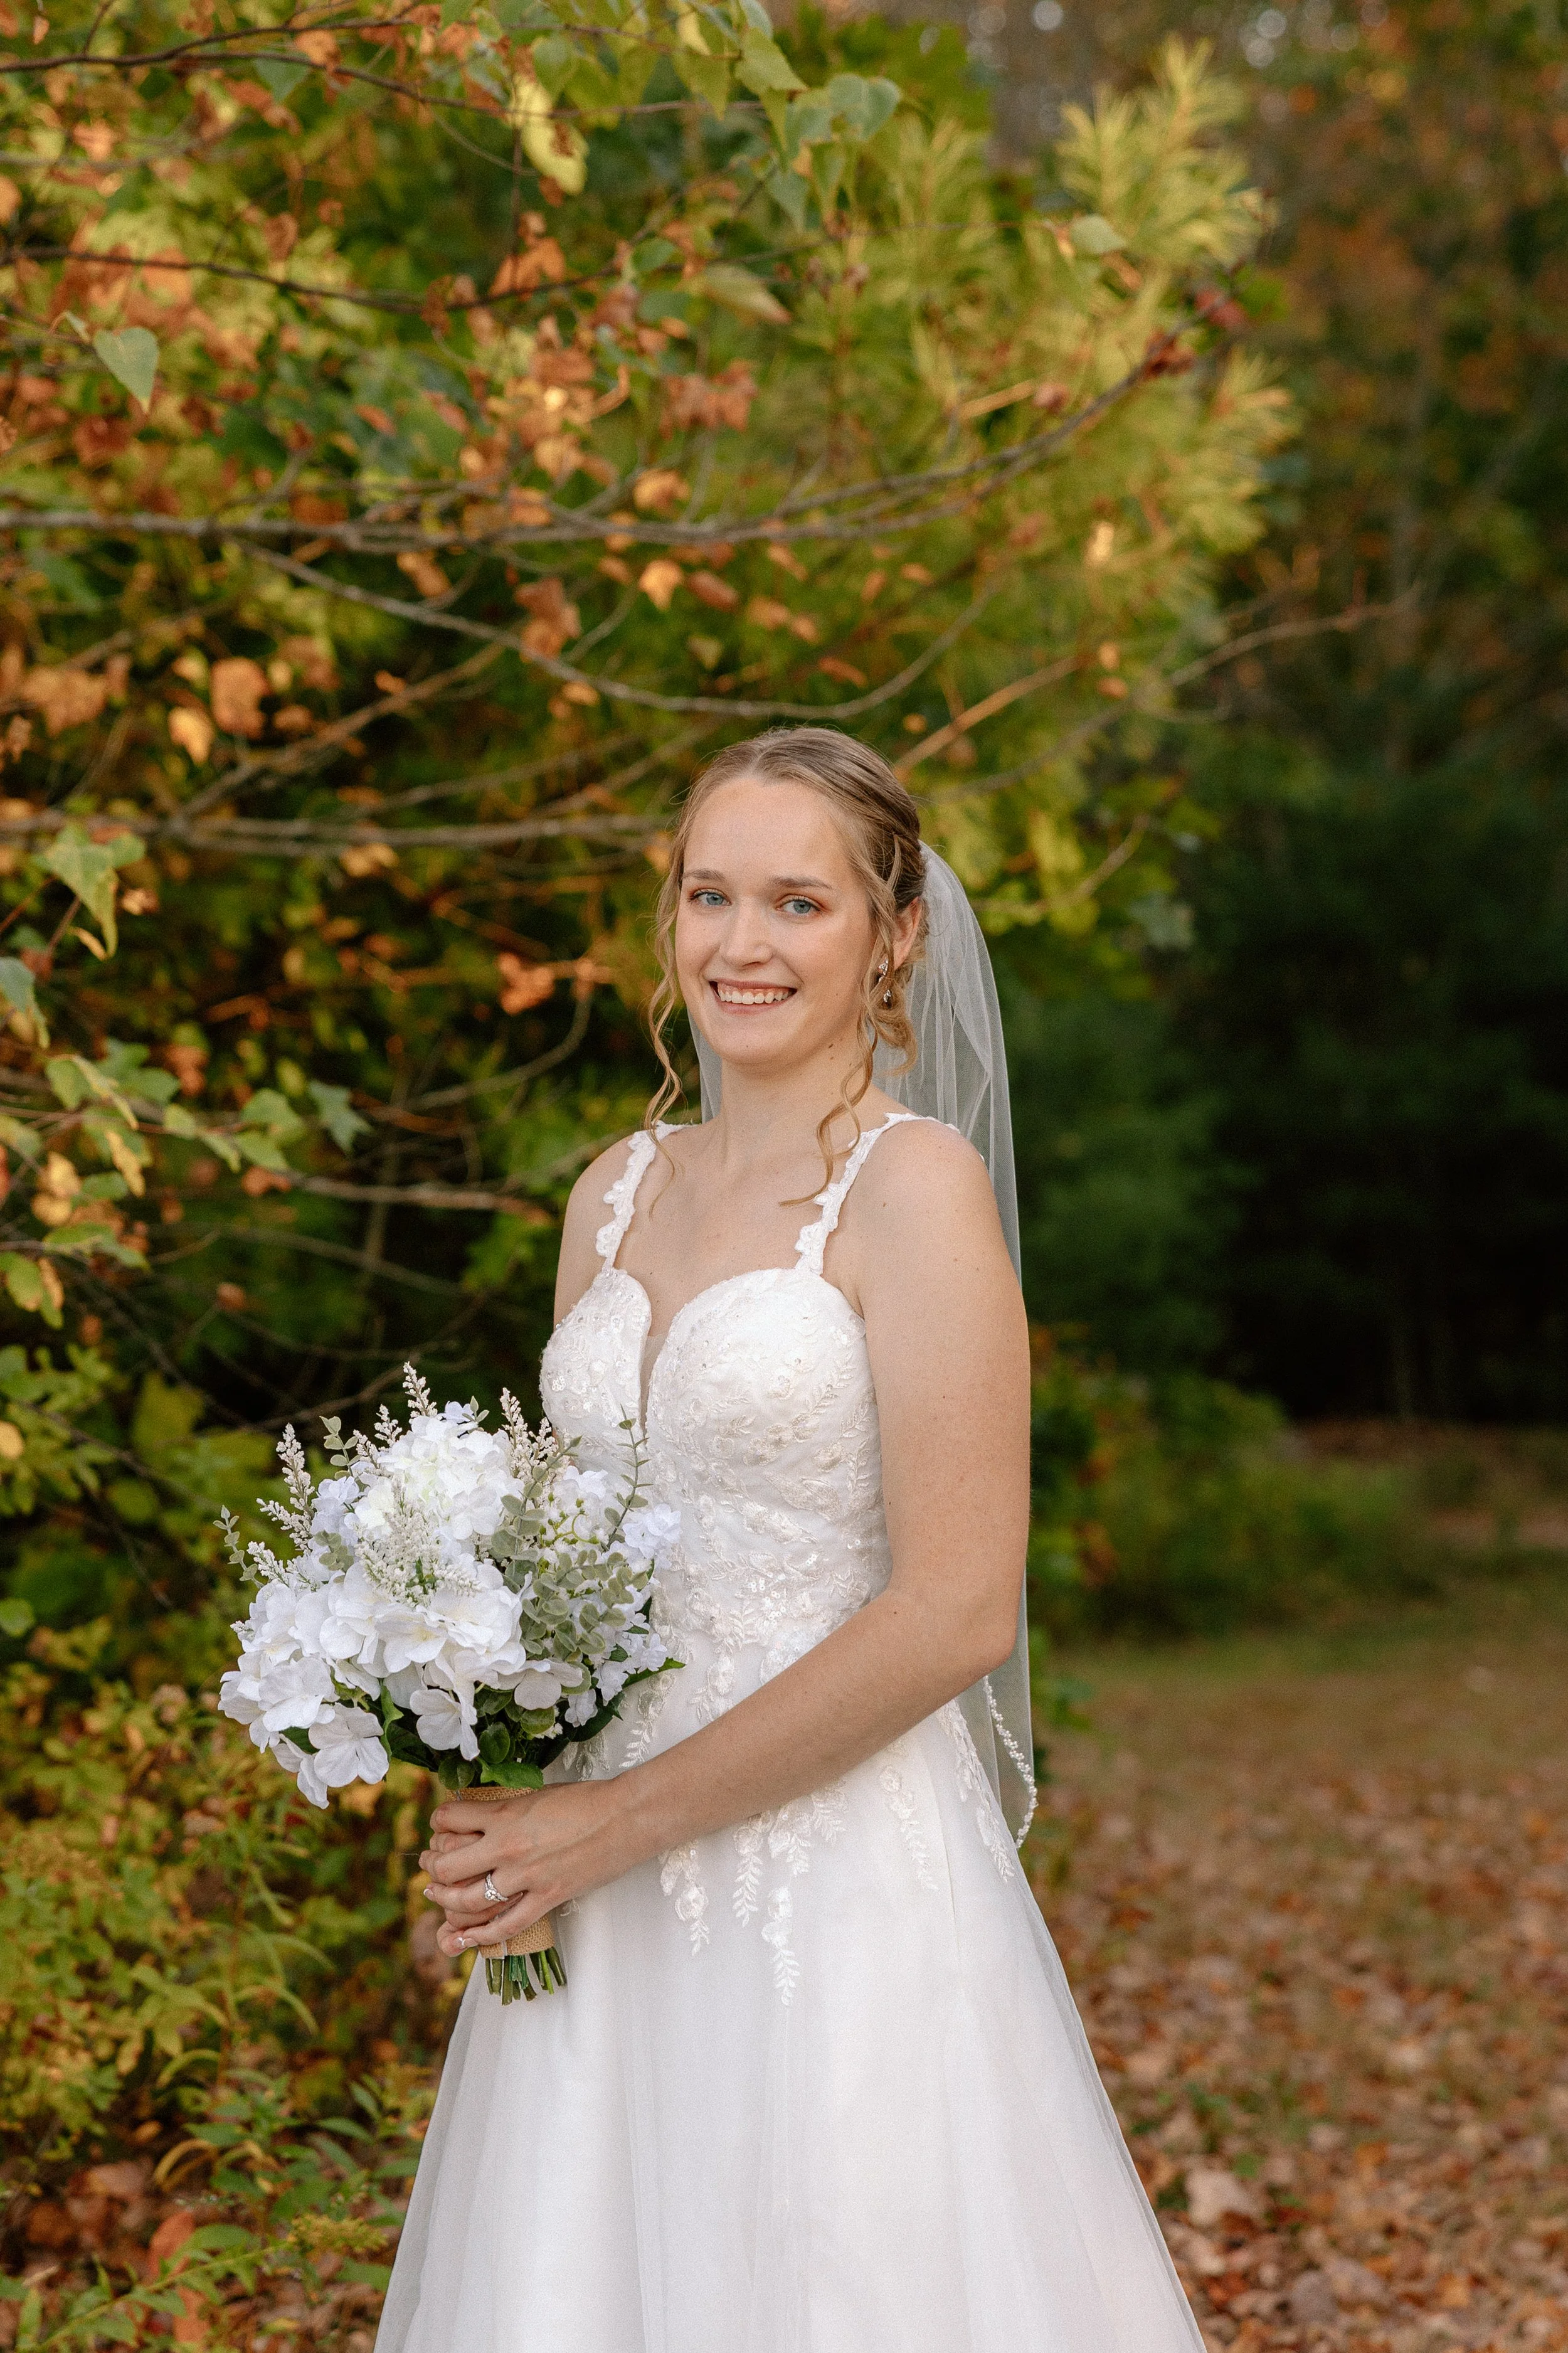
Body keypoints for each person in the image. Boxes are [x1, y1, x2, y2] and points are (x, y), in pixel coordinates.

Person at [378, 728, 1203, 2351]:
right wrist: (475, 1754)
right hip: (590, 1881)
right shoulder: (610, 1192)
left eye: (797, 903)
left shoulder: (916, 1193)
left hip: (828, 1882)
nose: (739, 945)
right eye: (708, 894)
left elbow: (958, 1608)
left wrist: (614, 1821)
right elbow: (563, 1569)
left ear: (891, 935)